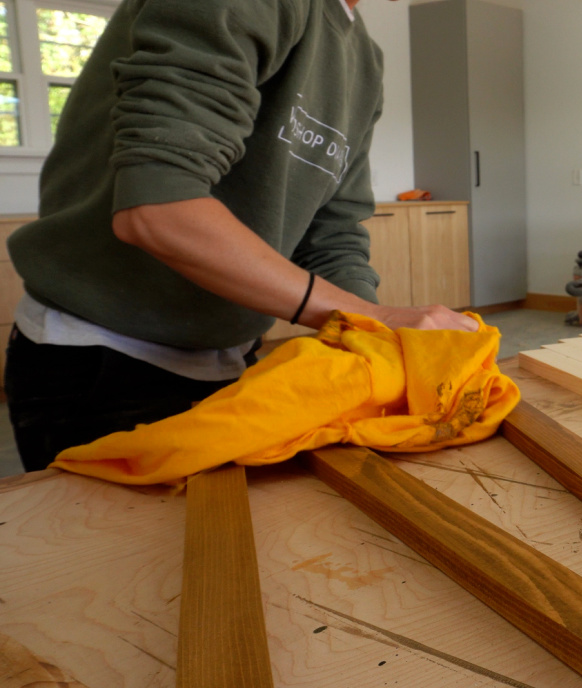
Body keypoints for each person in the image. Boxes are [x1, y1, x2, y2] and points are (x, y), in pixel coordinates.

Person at [5, 0, 477, 472]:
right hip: (101, 360)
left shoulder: (363, 58)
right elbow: (160, 208)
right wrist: (375, 314)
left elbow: (333, 233)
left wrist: (369, 337)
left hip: (227, 359)